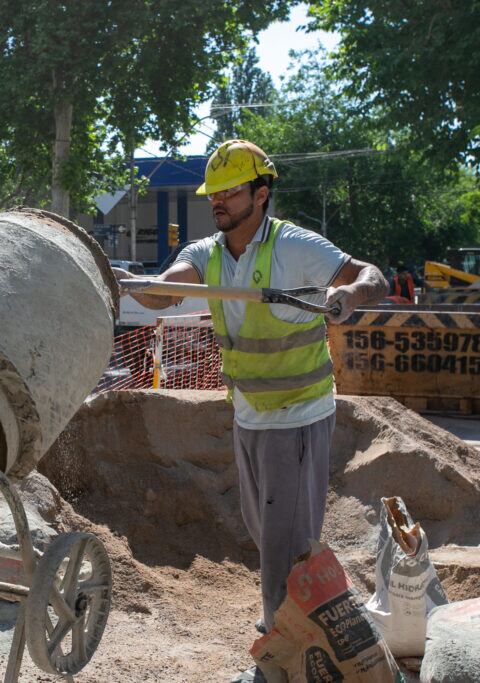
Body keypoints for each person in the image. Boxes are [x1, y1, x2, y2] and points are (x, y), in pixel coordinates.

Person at [112, 139, 388, 683]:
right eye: (213, 192)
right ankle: (314, 631)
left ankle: (274, 662)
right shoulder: (206, 254)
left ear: (260, 195)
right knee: (271, 536)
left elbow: (372, 275)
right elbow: (166, 293)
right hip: (249, 417)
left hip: (300, 416)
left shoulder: (294, 246)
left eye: (230, 191)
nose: (217, 200)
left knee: (283, 548)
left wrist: (349, 297)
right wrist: (130, 284)